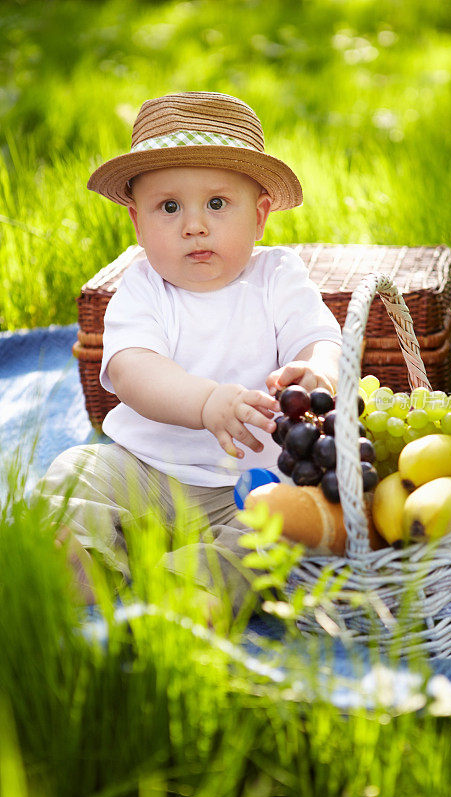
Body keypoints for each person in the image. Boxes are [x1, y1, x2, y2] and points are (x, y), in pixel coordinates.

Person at [37, 91, 342, 617]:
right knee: (73, 472)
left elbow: (322, 339)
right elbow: (134, 370)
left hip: (251, 487)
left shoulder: (278, 277)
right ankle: (78, 570)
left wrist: (315, 369)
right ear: (138, 223)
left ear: (260, 216)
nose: (193, 225)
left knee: (273, 535)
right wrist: (206, 403)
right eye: (169, 206)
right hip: (143, 467)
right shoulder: (143, 287)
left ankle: (189, 596)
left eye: (218, 204)